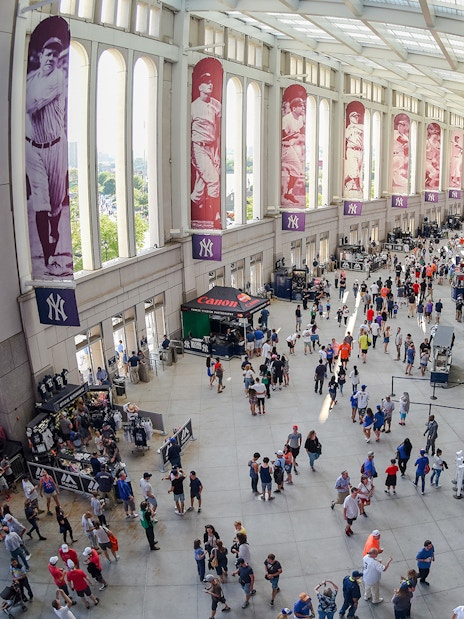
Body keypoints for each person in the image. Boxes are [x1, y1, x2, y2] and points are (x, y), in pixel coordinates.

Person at [25, 35, 70, 276]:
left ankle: (54, 235)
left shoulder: (58, 78)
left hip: (55, 146)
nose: (52, 58)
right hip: (33, 148)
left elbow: (30, 105)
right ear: (41, 56)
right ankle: (47, 255)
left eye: (56, 54)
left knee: (55, 202)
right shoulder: (31, 79)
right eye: (48, 53)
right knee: (40, 201)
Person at [191, 72, 222, 228]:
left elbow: (217, 130)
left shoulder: (216, 105)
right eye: (207, 82)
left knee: (200, 186)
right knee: (213, 179)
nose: (210, 85)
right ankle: (213, 216)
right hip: (199, 148)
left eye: (212, 82)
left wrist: (217, 153)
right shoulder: (194, 107)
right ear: (200, 86)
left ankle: (195, 202)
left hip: (211, 147)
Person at [281, 97, 306, 205]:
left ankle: (289, 193)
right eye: (300, 106)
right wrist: (291, 136)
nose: (303, 107)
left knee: (297, 169)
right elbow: (280, 136)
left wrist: (295, 136)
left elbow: (298, 133)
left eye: (303, 105)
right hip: (280, 147)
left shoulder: (300, 120)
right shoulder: (287, 119)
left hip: (288, 147)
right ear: (294, 108)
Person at [344, 110, 363, 194]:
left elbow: (364, 128)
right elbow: (346, 136)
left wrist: (355, 127)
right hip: (351, 150)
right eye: (354, 116)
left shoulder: (360, 126)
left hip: (360, 150)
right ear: (350, 118)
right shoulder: (348, 128)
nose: (356, 118)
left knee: (356, 171)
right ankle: (359, 188)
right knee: (355, 170)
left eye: (357, 116)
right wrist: (352, 127)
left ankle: (345, 181)